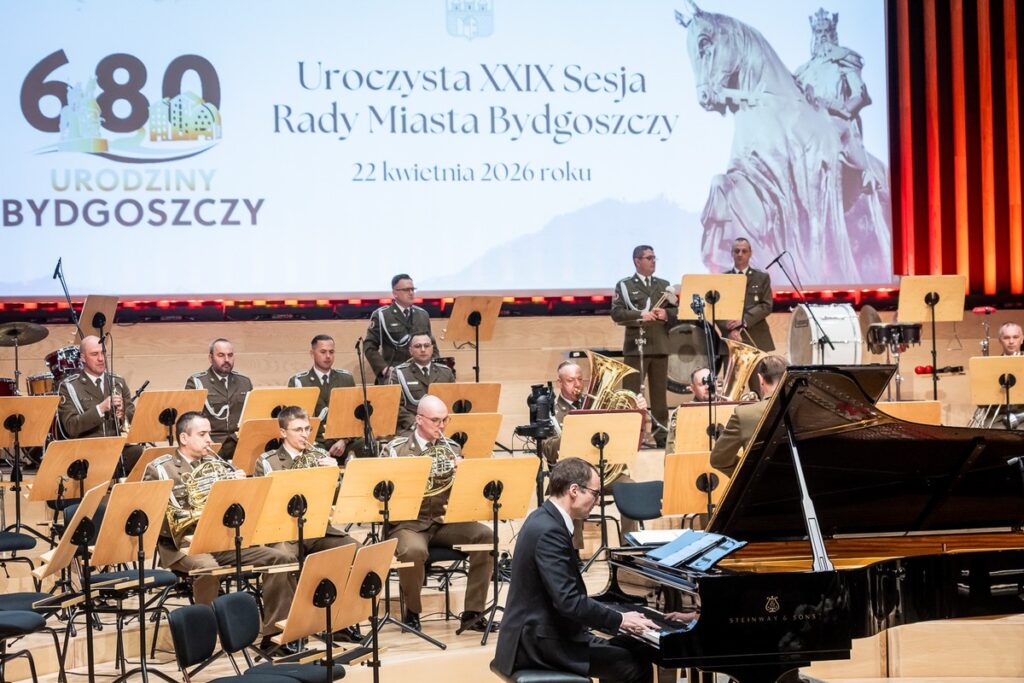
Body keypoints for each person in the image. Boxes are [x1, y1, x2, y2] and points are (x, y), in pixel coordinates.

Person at [494, 457, 691, 683]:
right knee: (630, 666)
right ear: (574, 490)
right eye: (595, 494)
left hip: (543, 634)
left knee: (636, 648)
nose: (598, 501)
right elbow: (569, 601)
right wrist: (620, 619)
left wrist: (617, 618)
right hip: (539, 645)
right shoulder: (550, 531)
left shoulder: (544, 518)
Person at [143, 412, 298, 649]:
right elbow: (153, 516)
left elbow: (239, 510)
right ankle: (203, 636)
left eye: (210, 434)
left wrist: (238, 487)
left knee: (282, 558)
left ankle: (273, 633)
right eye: (202, 434)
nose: (209, 440)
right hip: (182, 545)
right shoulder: (160, 469)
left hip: (220, 540)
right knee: (207, 567)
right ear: (184, 437)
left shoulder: (218, 465)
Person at [383, 395, 494, 633]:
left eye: (445, 420)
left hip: (444, 521)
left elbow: (466, 494)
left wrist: (466, 474)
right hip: (409, 523)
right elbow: (384, 491)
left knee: (486, 537)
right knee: (413, 550)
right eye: (435, 420)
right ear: (419, 419)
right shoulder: (396, 450)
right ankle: (412, 612)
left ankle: (473, 613)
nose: (441, 426)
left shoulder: (452, 448)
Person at [540, 360, 639, 547]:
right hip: (573, 476)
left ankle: (629, 547)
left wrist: (637, 409)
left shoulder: (595, 404)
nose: (577, 385)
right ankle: (573, 551)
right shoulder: (551, 410)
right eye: (570, 380)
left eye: (580, 379)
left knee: (629, 487)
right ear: (559, 383)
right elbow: (548, 450)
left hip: (602, 471)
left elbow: (619, 434)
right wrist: (577, 430)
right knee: (572, 491)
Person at [254, 405, 358, 550]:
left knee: (355, 549)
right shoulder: (268, 461)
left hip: (318, 530)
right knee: (284, 557)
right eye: (298, 430)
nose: (304, 434)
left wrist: (334, 476)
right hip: (284, 534)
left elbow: (337, 500)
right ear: (283, 432)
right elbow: (261, 505)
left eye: (307, 429)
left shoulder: (319, 455)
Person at [611, 245, 678, 447]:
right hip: (635, 346)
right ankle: (631, 436)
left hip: (659, 345)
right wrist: (640, 314)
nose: (653, 261)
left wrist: (667, 314)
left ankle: (661, 436)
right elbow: (617, 314)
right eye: (649, 258)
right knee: (632, 393)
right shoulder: (625, 285)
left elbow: (677, 315)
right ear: (637, 261)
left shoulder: (664, 286)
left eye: (654, 258)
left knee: (659, 396)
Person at [56, 334, 144, 473]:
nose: (101, 359)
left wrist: (122, 415)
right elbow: (71, 426)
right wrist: (100, 409)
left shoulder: (118, 381)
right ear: (83, 358)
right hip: (87, 453)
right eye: (94, 354)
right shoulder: (69, 386)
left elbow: (133, 415)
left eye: (103, 353)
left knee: (144, 454)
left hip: (117, 449)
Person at [710, 355, 788, 477]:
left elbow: (719, 460)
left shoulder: (744, 414)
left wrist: (751, 473)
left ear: (760, 379)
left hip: (762, 488)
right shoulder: (805, 407)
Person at [287, 334, 355, 456]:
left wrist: (344, 440)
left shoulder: (346, 379)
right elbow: (294, 421)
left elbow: (353, 416)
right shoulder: (299, 381)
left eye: (331, 352)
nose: (328, 356)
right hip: (314, 440)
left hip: (342, 439)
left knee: (366, 444)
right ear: (312, 354)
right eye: (323, 352)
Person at [184, 338, 253, 460]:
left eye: (230, 355)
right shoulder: (197, 382)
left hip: (239, 443)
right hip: (211, 444)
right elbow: (189, 421)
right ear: (211, 358)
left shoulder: (244, 382)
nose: (226, 360)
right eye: (221, 355)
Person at [363, 273, 437, 383]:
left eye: (412, 289)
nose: (411, 293)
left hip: (421, 374)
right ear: (395, 293)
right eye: (407, 290)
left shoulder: (422, 315)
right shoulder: (383, 315)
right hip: (395, 375)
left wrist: (436, 367)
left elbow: (432, 345)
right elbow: (369, 346)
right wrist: (384, 369)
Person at [389, 333, 455, 431]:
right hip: (412, 429)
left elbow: (454, 401)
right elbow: (395, 406)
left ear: (432, 349)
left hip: (442, 427)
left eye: (427, 346)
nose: (423, 349)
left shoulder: (446, 372)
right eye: (418, 346)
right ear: (410, 350)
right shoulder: (399, 373)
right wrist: (415, 424)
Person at [720, 237, 775, 351]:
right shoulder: (723, 278)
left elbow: (766, 305)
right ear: (732, 253)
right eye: (736, 251)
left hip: (757, 338)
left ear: (750, 253)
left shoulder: (761, 277)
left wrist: (743, 320)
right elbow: (716, 309)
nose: (740, 254)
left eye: (744, 251)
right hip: (731, 339)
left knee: (758, 369)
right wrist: (730, 329)